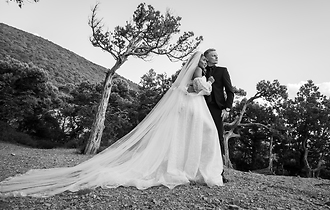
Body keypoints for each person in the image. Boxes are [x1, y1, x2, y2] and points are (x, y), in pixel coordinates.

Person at [0, 51, 224, 198]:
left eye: (207, 59)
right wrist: (210, 83)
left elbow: (191, 89)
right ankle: (195, 169)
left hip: (192, 106)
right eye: (204, 58)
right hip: (194, 106)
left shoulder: (199, 71)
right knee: (204, 133)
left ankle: (191, 168)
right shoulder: (198, 71)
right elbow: (198, 90)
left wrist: (205, 85)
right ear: (197, 61)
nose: (205, 61)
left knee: (196, 135)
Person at [204, 48, 234, 181]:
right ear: (206, 58)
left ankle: (219, 173)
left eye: (217, 56)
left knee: (218, 139)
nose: (216, 57)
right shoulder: (199, 70)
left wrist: (227, 109)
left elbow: (230, 91)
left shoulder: (222, 71)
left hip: (217, 109)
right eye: (213, 56)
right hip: (200, 107)